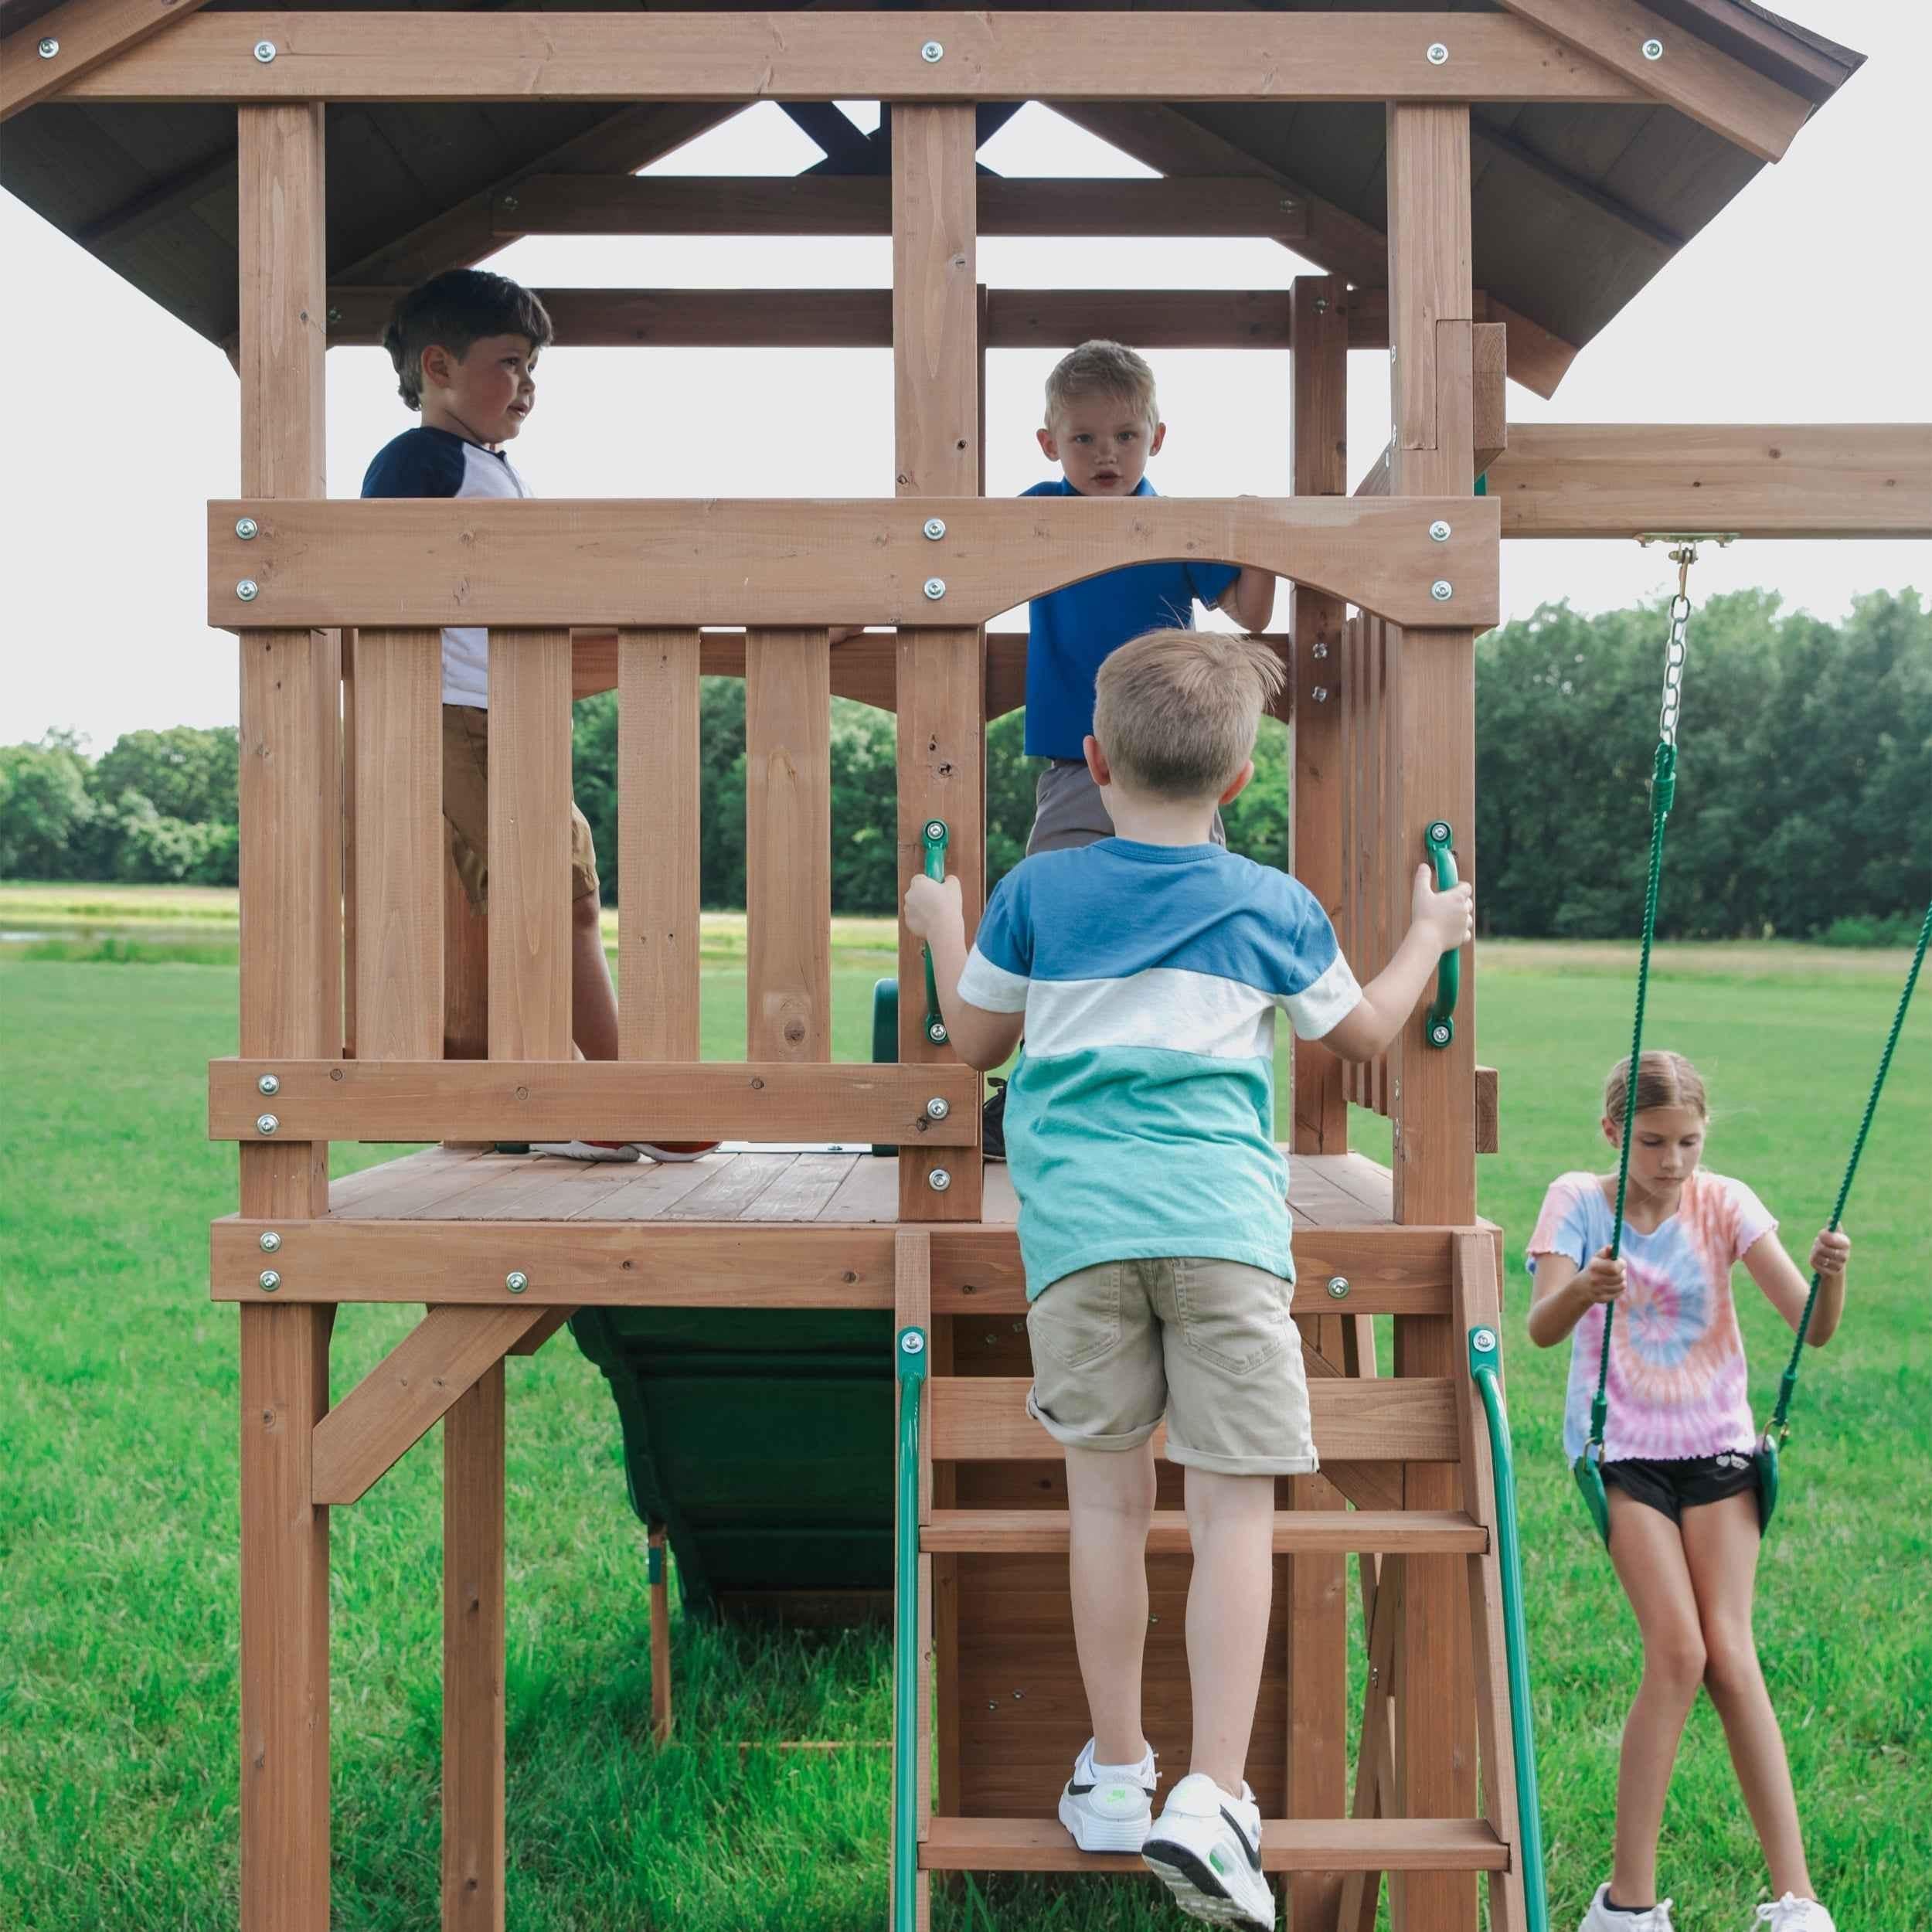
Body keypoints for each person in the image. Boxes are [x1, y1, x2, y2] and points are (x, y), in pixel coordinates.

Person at [904, 627, 1475, 1931]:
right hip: (1224, 1236)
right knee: (1232, 1515)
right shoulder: (1273, 904)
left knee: (1104, 1511)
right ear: (1239, 780)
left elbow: (975, 1042)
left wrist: (941, 925)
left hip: (1078, 1242)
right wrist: (1430, 932)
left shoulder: (1038, 894)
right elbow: (1363, 1034)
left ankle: (1116, 1773)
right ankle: (1214, 1794)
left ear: (1094, 762)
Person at [362, 268, 711, 1165]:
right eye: (509, 363)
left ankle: (584, 1093)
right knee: (549, 894)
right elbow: (373, 575)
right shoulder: (421, 461)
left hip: (508, 717)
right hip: (457, 712)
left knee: (563, 893)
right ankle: (618, 1093)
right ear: (438, 366)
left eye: (533, 368)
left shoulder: (490, 468)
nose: (526, 384)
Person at [1526, 1050, 1850, 1932]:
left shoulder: (1727, 1202)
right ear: (1613, 1131)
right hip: (1623, 1452)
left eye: (1688, 1142)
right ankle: (1626, 1906)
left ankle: (1795, 1900)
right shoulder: (1577, 1201)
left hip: (1716, 1448)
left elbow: (1811, 1329)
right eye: (1653, 1142)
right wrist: (1586, 1288)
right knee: (1677, 1653)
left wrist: (1831, 1275)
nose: (1672, 1161)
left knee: (1732, 1655)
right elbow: (1541, 1327)